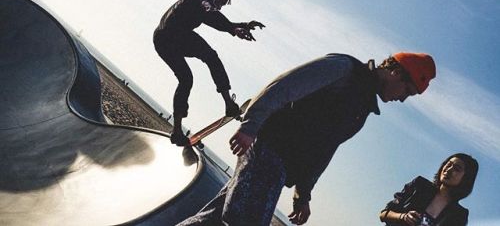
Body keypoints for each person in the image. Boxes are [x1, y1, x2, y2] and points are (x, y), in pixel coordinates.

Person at [177, 52, 437, 225]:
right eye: (407, 90)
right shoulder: (344, 69)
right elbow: (284, 86)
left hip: (278, 169)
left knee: (214, 219)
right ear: (396, 72)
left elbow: (323, 150)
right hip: (266, 151)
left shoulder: (362, 108)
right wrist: (250, 125)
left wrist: (303, 195)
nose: (403, 98)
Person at [153, 0, 265, 146]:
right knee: (212, 57)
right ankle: (228, 103)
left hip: (161, 39)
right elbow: (213, 15)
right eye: (221, 3)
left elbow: (215, 18)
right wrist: (233, 29)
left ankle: (176, 131)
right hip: (174, 35)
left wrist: (242, 26)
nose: (220, 7)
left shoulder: (199, 3)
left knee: (186, 79)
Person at [380, 153, 479, 226]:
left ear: (466, 179)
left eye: (456, 169)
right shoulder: (420, 185)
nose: (448, 170)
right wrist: (403, 216)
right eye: (448, 164)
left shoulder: (459, 215)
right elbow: (384, 214)